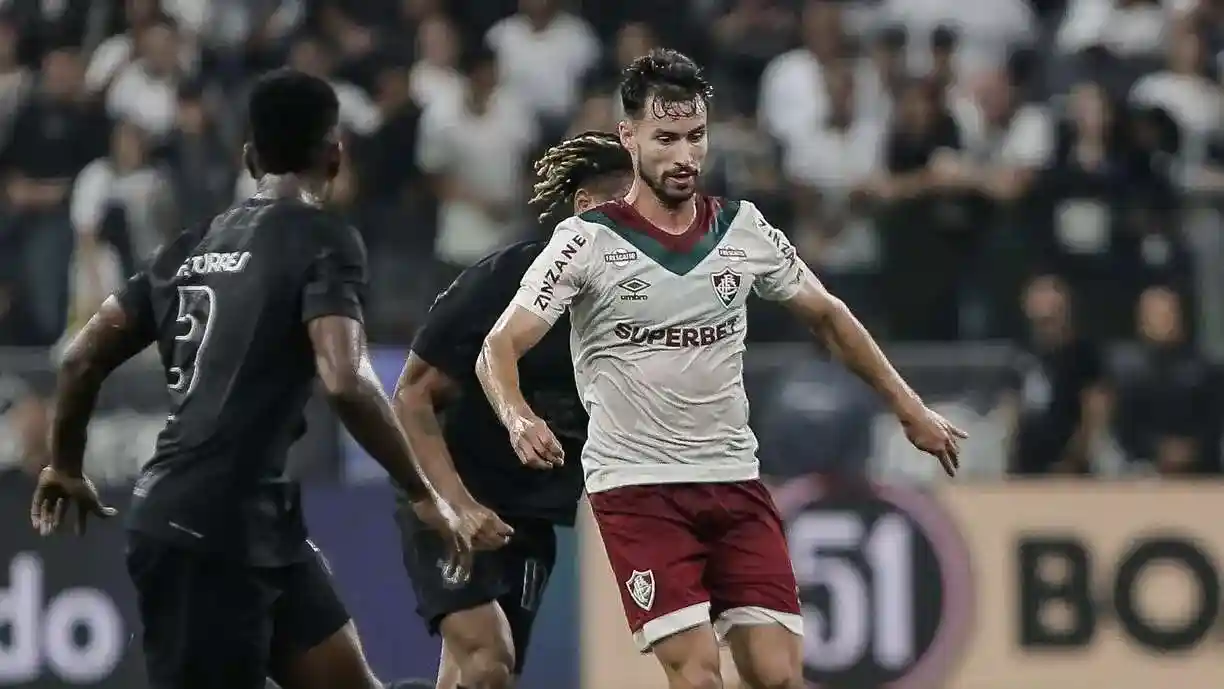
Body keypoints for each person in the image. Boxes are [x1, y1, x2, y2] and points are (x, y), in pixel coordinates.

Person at [476, 49, 964, 689]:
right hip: (638, 486)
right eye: (666, 139)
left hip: (733, 478)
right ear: (629, 138)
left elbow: (828, 317)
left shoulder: (742, 229)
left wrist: (909, 407)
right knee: (700, 676)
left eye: (696, 137)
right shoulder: (586, 241)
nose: (684, 156)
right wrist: (517, 417)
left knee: (778, 675)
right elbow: (499, 347)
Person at [28, 68, 510, 689]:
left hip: (247, 518)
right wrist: (423, 493)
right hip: (206, 534)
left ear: (250, 156)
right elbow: (343, 378)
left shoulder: (187, 247)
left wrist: (65, 465)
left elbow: (80, 357)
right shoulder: (322, 239)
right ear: (334, 155)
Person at [392, 131, 633, 689]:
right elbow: (411, 397)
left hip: (528, 521)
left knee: (480, 678)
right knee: (487, 662)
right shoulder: (505, 280)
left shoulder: (638, 310)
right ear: (588, 207)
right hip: (453, 498)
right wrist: (455, 506)